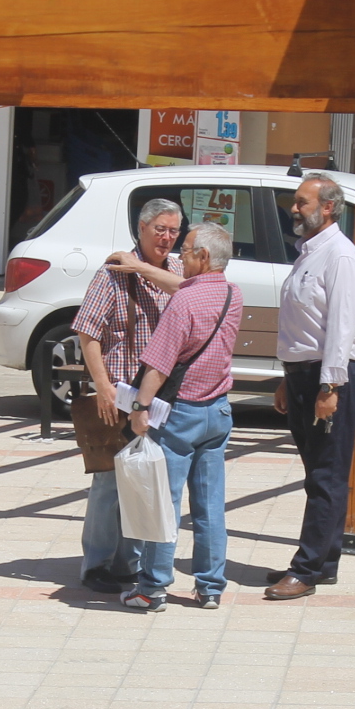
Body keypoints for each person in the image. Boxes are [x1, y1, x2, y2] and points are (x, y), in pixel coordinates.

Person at [121, 223, 243, 612]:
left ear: (203, 257)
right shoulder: (232, 294)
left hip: (181, 415)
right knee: (210, 505)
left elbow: (159, 364)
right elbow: (190, 287)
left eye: (186, 251)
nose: (179, 256)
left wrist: (140, 408)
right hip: (218, 411)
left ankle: (152, 587)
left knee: (165, 502)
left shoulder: (184, 302)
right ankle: (210, 587)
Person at [70, 198, 184, 592]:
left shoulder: (177, 270)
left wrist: (142, 268)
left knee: (144, 481)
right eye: (160, 229)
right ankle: (96, 564)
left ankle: (127, 563)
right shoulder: (111, 274)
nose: (166, 238)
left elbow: (188, 291)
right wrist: (102, 386)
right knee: (109, 483)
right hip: (120, 394)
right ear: (141, 228)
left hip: (161, 400)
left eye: (173, 231)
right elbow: (87, 332)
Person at [266, 172, 355, 601]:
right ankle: (324, 562)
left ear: (328, 207)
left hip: (331, 377)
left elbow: (341, 327)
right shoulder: (308, 252)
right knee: (318, 474)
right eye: (295, 202)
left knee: (327, 475)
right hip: (303, 375)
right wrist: (287, 378)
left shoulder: (341, 256)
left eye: (301, 202)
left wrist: (330, 387)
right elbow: (303, 325)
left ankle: (306, 570)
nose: (294, 209)